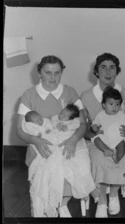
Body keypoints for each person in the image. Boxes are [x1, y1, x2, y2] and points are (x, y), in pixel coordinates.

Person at [16, 55, 95, 217]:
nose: (53, 77)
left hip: (70, 139)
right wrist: (35, 140)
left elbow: (82, 124)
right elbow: (20, 130)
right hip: (41, 142)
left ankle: (62, 202)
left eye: (57, 73)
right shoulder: (29, 95)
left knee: (78, 163)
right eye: (47, 73)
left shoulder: (70, 92)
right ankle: (49, 204)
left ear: (61, 72)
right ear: (39, 73)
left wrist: (73, 140)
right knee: (50, 166)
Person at [81, 53, 125, 217]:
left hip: (121, 140)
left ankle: (114, 195)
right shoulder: (86, 96)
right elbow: (84, 128)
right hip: (98, 141)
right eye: (103, 67)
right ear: (96, 71)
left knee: (123, 158)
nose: (108, 71)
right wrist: (95, 134)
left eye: (112, 67)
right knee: (99, 158)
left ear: (117, 71)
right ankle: (102, 201)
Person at [91, 87, 125, 163]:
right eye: (111, 104)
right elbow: (95, 124)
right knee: (96, 140)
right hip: (105, 138)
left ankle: (118, 158)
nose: (114, 107)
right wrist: (95, 127)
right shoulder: (100, 115)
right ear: (104, 105)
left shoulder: (121, 115)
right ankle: (107, 150)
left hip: (118, 138)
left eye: (117, 104)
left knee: (122, 144)